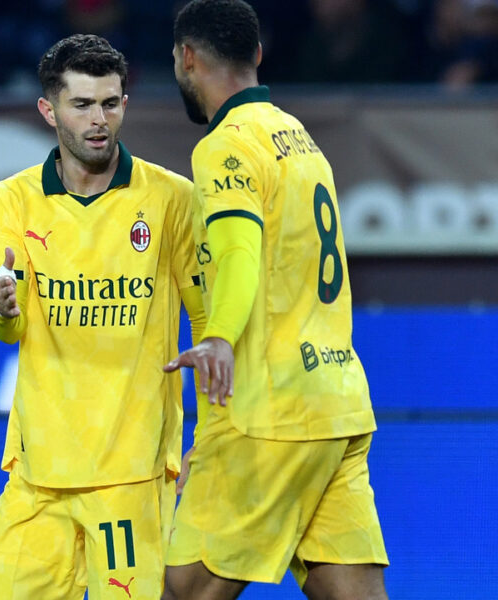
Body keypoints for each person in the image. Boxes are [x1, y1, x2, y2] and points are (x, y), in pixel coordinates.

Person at [162, 1, 389, 598]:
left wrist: (219, 335)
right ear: (257, 55)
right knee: (351, 591)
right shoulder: (300, 137)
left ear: (187, 58)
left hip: (271, 411)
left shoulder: (225, 145)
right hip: (337, 403)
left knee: (182, 591)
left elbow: (238, 253)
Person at [0, 34, 205, 599]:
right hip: (37, 479)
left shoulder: (172, 199)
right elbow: (7, 323)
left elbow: (210, 323)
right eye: (82, 105)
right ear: (49, 110)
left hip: (131, 478)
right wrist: (3, 306)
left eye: (111, 102)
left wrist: (218, 436)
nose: (99, 120)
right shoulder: (11, 201)